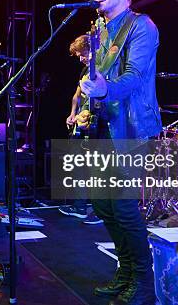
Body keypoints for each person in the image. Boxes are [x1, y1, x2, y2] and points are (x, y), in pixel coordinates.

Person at [80, 0, 162, 305]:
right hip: (101, 128)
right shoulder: (99, 29)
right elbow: (96, 79)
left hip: (130, 129)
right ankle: (125, 272)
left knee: (125, 208)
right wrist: (86, 105)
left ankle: (144, 284)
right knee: (103, 205)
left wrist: (102, 92)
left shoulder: (142, 27)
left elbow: (133, 79)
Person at [59, 34, 103, 225]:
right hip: (82, 123)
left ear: (92, 50)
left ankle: (100, 211)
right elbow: (76, 96)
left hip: (98, 123)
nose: (80, 58)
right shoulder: (85, 70)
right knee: (78, 167)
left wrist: (86, 114)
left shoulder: (102, 68)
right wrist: (72, 114)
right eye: (78, 55)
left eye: (82, 54)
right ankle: (80, 207)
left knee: (97, 170)